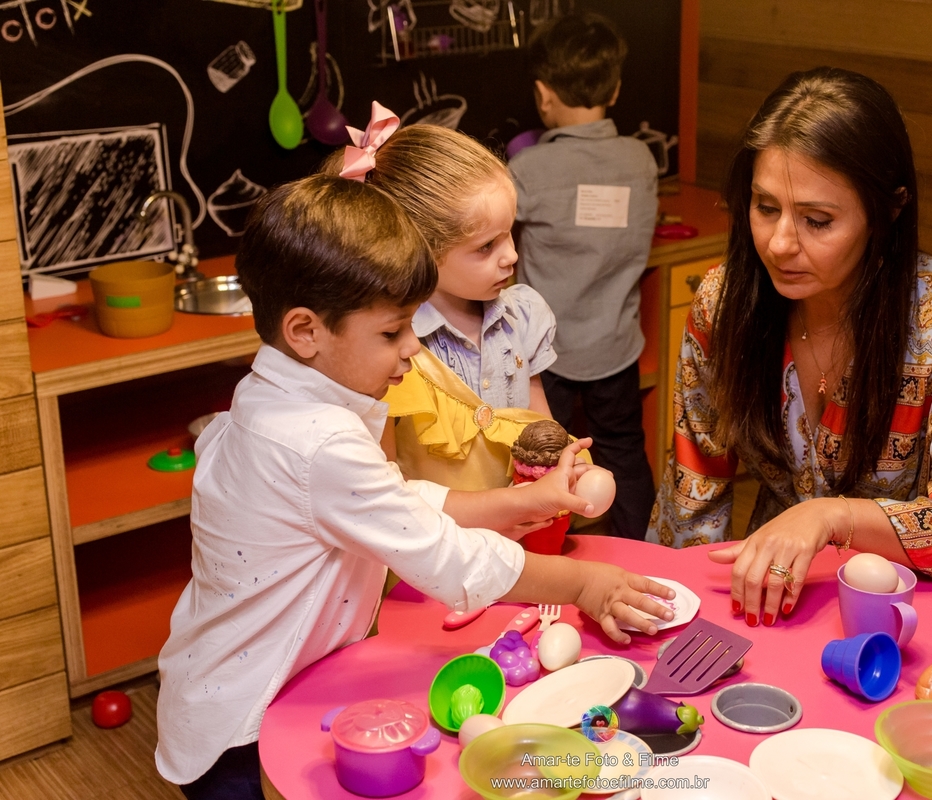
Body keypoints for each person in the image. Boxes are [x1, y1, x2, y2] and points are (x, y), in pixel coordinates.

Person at [155, 173, 674, 799]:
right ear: (305, 331)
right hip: (241, 715)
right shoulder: (318, 439)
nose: (411, 352)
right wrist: (584, 583)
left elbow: (394, 504)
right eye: (391, 332)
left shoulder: (272, 397)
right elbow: (444, 556)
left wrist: (519, 500)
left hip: (224, 684)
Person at [648, 68, 932, 653]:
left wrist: (835, 517)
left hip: (918, 625)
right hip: (779, 604)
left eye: (817, 220)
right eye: (765, 207)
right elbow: (692, 496)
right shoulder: (725, 305)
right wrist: (674, 623)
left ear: (888, 211)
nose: (779, 242)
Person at [336, 107, 574, 554]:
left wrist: (567, 470)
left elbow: (539, 427)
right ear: (419, 251)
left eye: (510, 234)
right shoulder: (394, 344)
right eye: (486, 246)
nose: (510, 257)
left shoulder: (522, 315)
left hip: (520, 539)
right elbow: (389, 489)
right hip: (431, 550)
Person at [508, 12, 659, 540]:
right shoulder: (642, 160)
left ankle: (543, 550)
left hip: (545, 353)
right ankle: (640, 547)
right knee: (623, 450)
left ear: (543, 95)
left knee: (538, 458)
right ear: (614, 89)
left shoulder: (527, 171)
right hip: (614, 346)